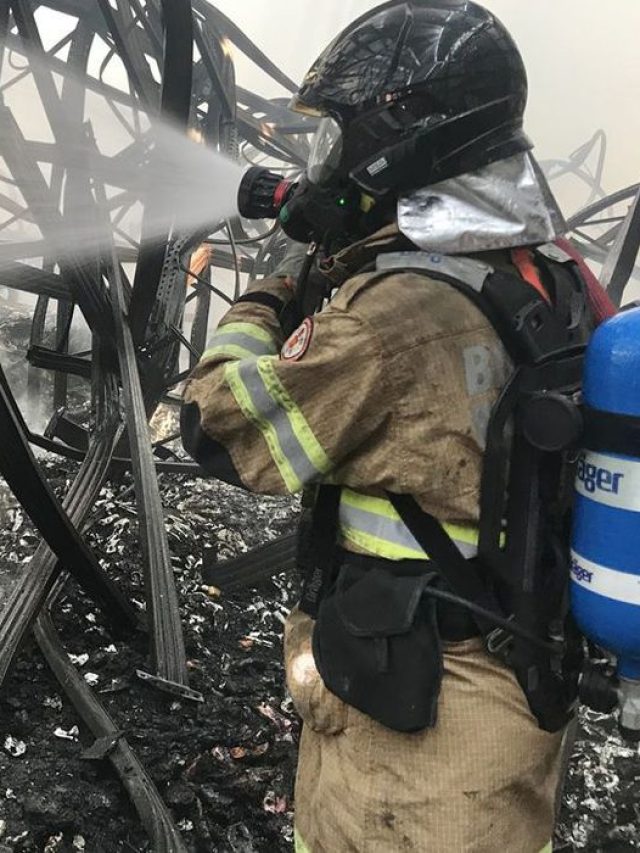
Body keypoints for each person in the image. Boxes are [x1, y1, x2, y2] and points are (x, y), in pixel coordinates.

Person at [181, 2, 613, 850]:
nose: (322, 163)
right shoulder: (549, 272)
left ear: (399, 141)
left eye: (338, 136)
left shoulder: (398, 312)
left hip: (413, 734)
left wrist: (270, 290)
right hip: (506, 689)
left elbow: (220, 428)